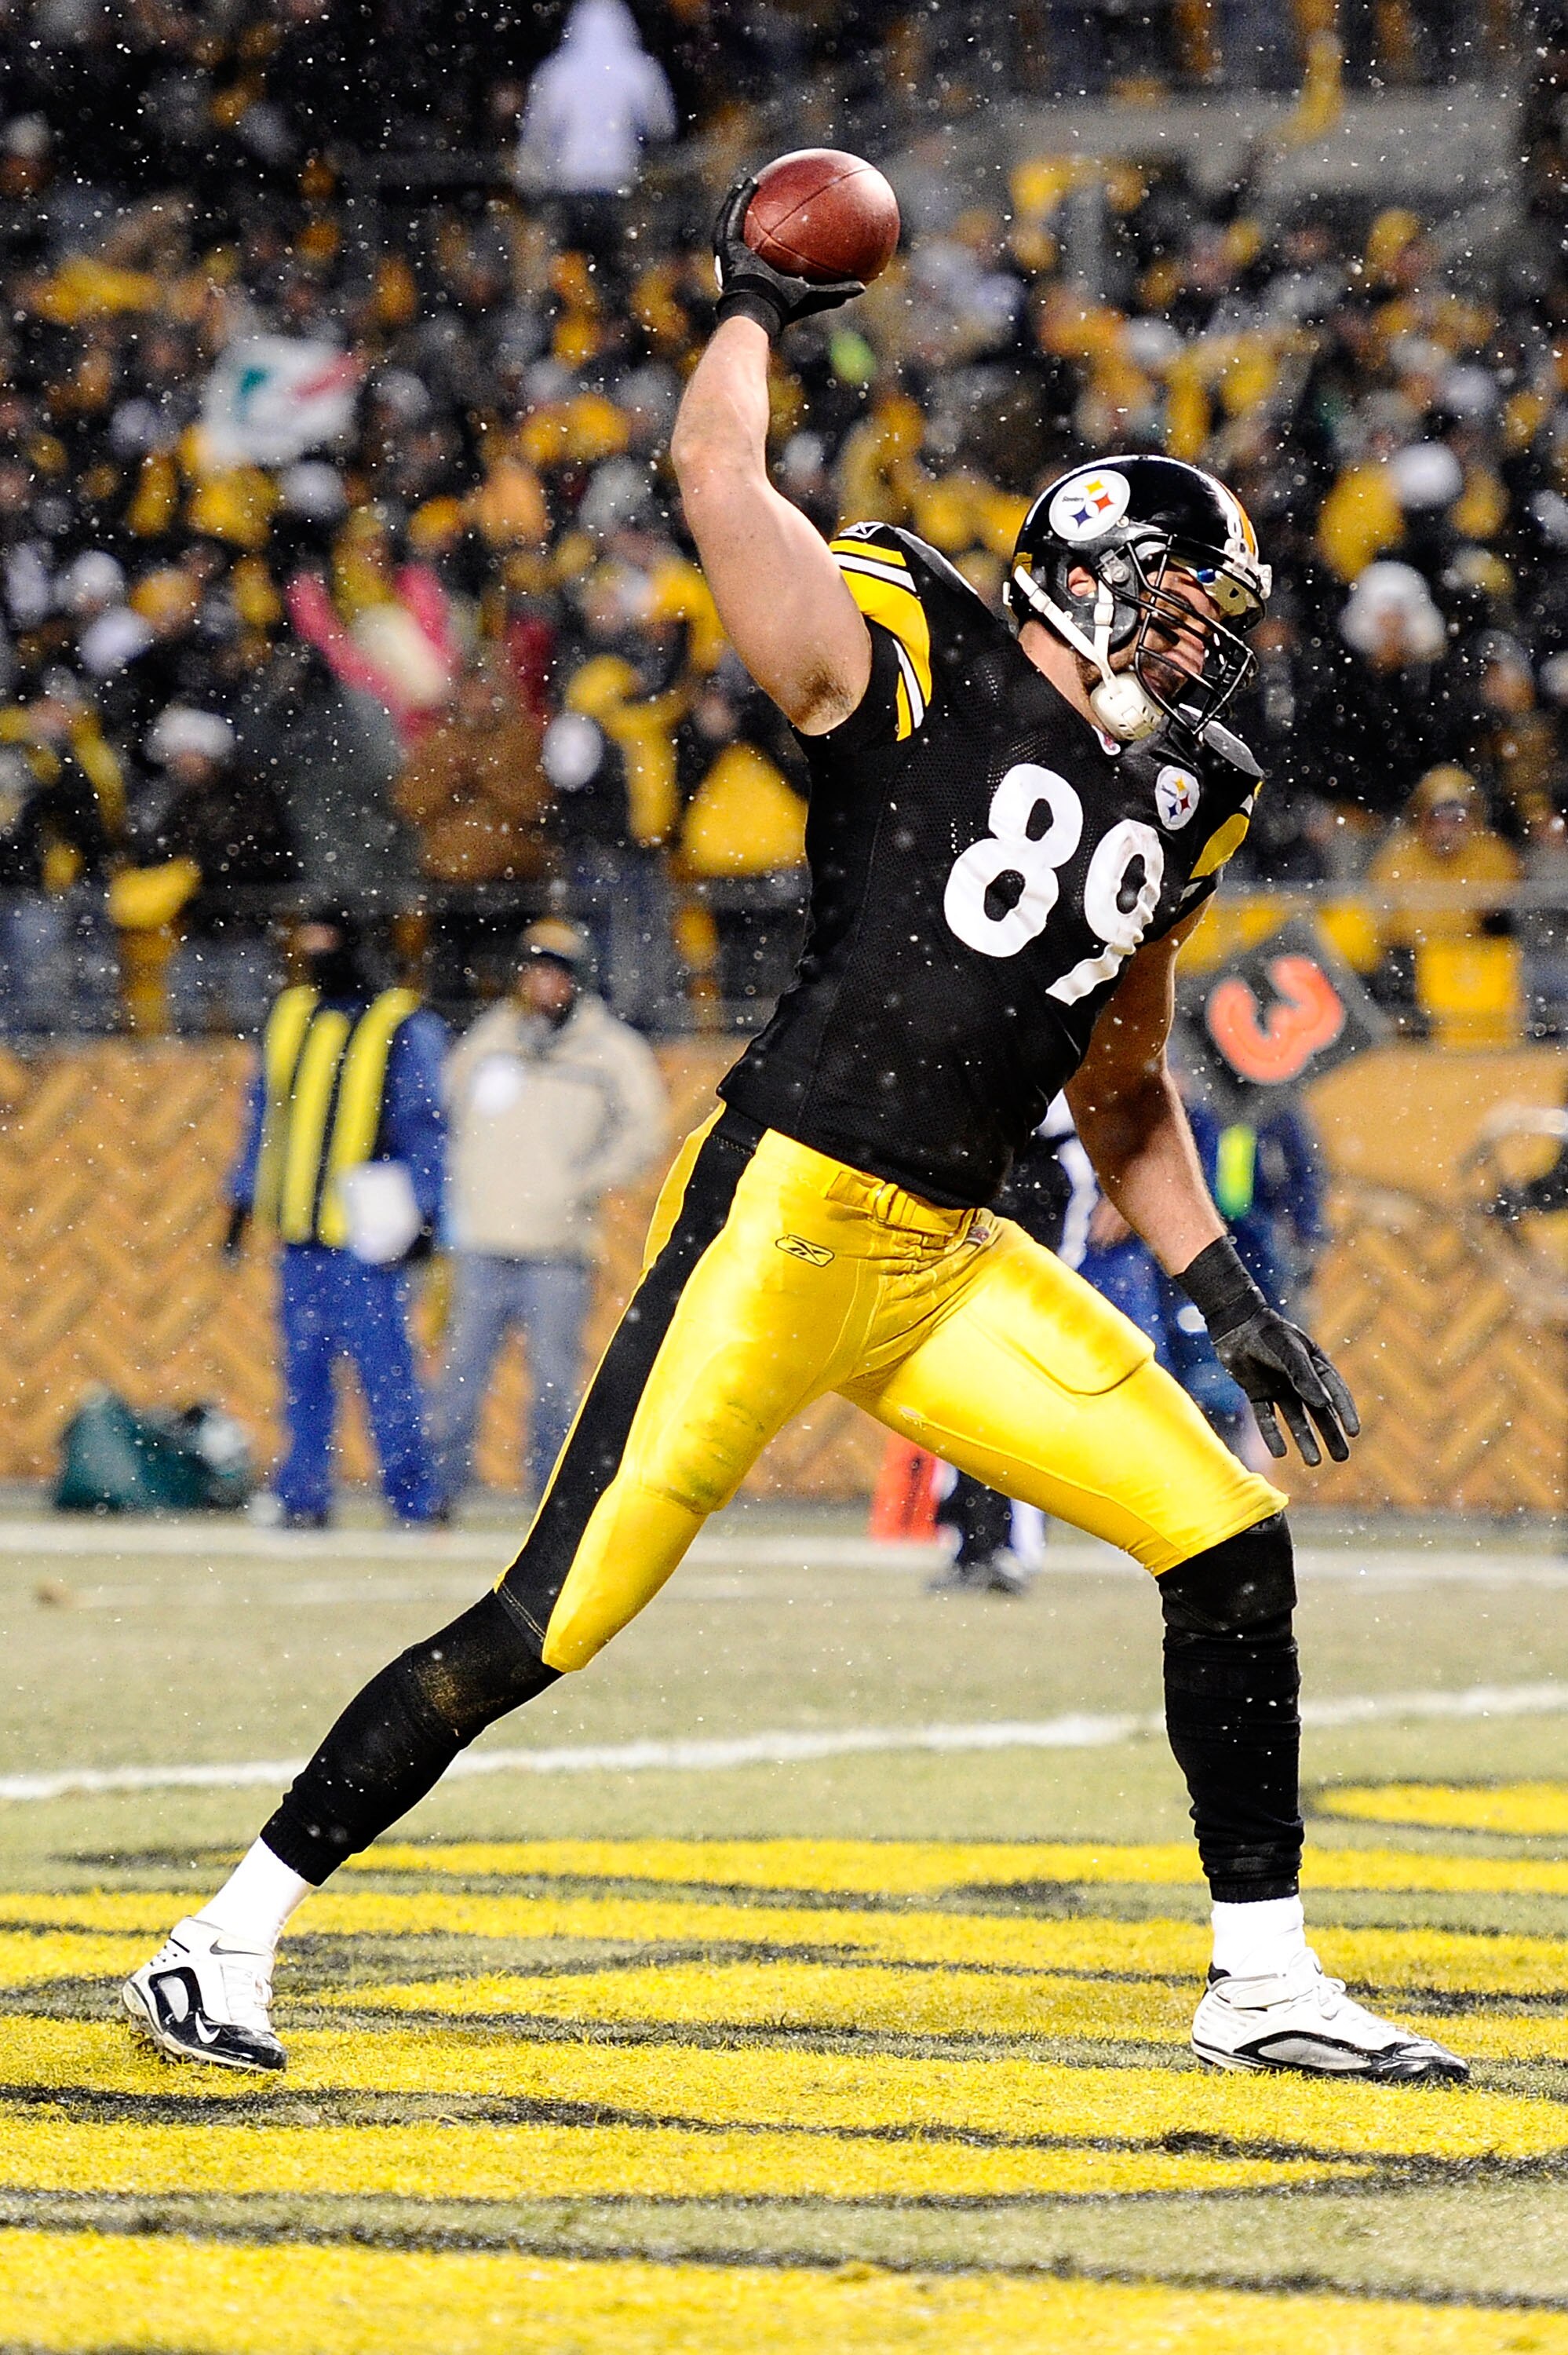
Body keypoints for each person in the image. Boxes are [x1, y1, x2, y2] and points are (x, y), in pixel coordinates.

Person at [125, 184, 1463, 2088]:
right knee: (542, 1616)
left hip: (948, 1262)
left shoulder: (1183, 803)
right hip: (781, 1219)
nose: (1200, 653)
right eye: (1177, 609)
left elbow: (1119, 1082)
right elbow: (711, 464)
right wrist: (762, 303)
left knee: (1230, 1544)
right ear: (1084, 573)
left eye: (1215, 627)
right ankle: (221, 1935)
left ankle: (1259, 1971)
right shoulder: (911, 642)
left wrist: (1225, 1289)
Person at [223, 907, 447, 1532]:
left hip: (367, 1233)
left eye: (328, 941)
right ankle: (303, 1494)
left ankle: (413, 1497)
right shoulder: (290, 1014)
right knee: (303, 1371)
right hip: (300, 1231)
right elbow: (263, 1116)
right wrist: (241, 1204)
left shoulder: (401, 1023)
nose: (316, 955)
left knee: (385, 1369)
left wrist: (428, 1217)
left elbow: (426, 1126)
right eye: (308, 943)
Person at [434, 918, 668, 1506]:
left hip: (559, 1247)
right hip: (483, 1239)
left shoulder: (610, 1051)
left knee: (554, 1387)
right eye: (534, 970)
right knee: (461, 1380)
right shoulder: (489, 1041)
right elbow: (448, 1112)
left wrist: (586, 1181)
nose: (544, 983)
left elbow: (645, 1130)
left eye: (556, 972)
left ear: (577, 980)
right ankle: (436, 1498)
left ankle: (550, 1502)